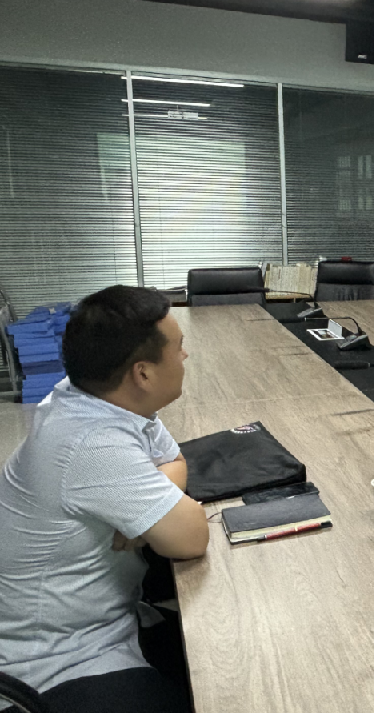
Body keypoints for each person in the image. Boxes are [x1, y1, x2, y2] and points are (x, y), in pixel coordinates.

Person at [0, 286, 209, 713]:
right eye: (178, 347)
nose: (185, 356)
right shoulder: (92, 442)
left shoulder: (93, 398)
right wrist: (150, 514)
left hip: (97, 622)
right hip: (52, 661)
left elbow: (174, 461)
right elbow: (191, 538)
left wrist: (141, 513)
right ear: (143, 374)